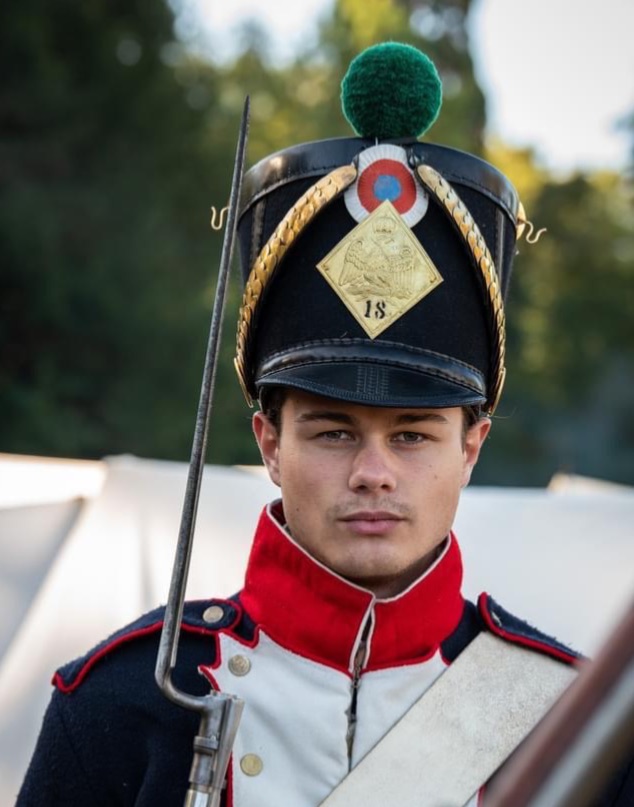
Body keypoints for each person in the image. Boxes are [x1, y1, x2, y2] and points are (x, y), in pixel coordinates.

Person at [17, 42, 633, 807]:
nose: (373, 472)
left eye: (412, 434)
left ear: (472, 446)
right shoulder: (119, 705)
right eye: (334, 431)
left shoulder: (575, 731)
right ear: (270, 442)